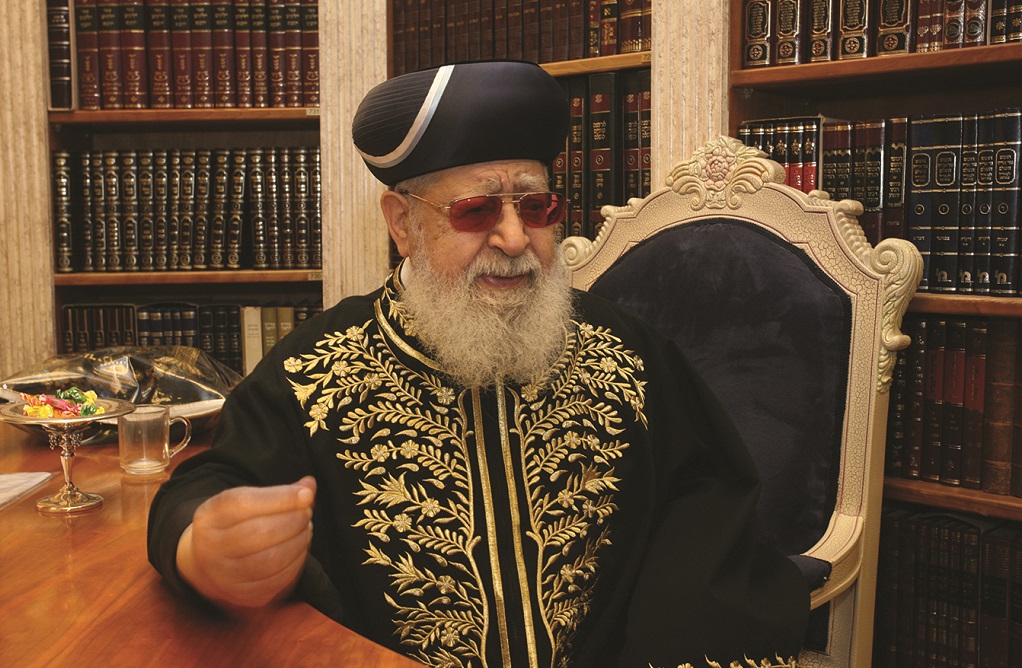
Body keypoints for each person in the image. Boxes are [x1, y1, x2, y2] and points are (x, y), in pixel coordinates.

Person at [148, 60, 809, 667]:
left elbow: (709, 518)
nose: (516, 238)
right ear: (402, 223)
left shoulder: (627, 353)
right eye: (476, 210)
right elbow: (208, 488)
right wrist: (203, 548)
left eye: (536, 207)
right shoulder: (316, 370)